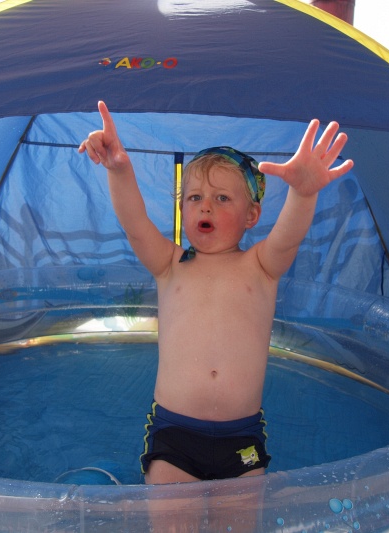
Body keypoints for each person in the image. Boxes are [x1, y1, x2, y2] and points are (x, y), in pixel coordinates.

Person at [79, 101, 353, 485]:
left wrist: (304, 194)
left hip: (240, 436)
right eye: (194, 198)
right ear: (183, 209)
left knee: (243, 514)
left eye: (222, 198)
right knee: (168, 516)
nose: (205, 205)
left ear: (251, 215)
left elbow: (289, 236)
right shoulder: (170, 264)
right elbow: (135, 224)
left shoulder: (261, 266)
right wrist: (119, 169)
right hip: (175, 432)